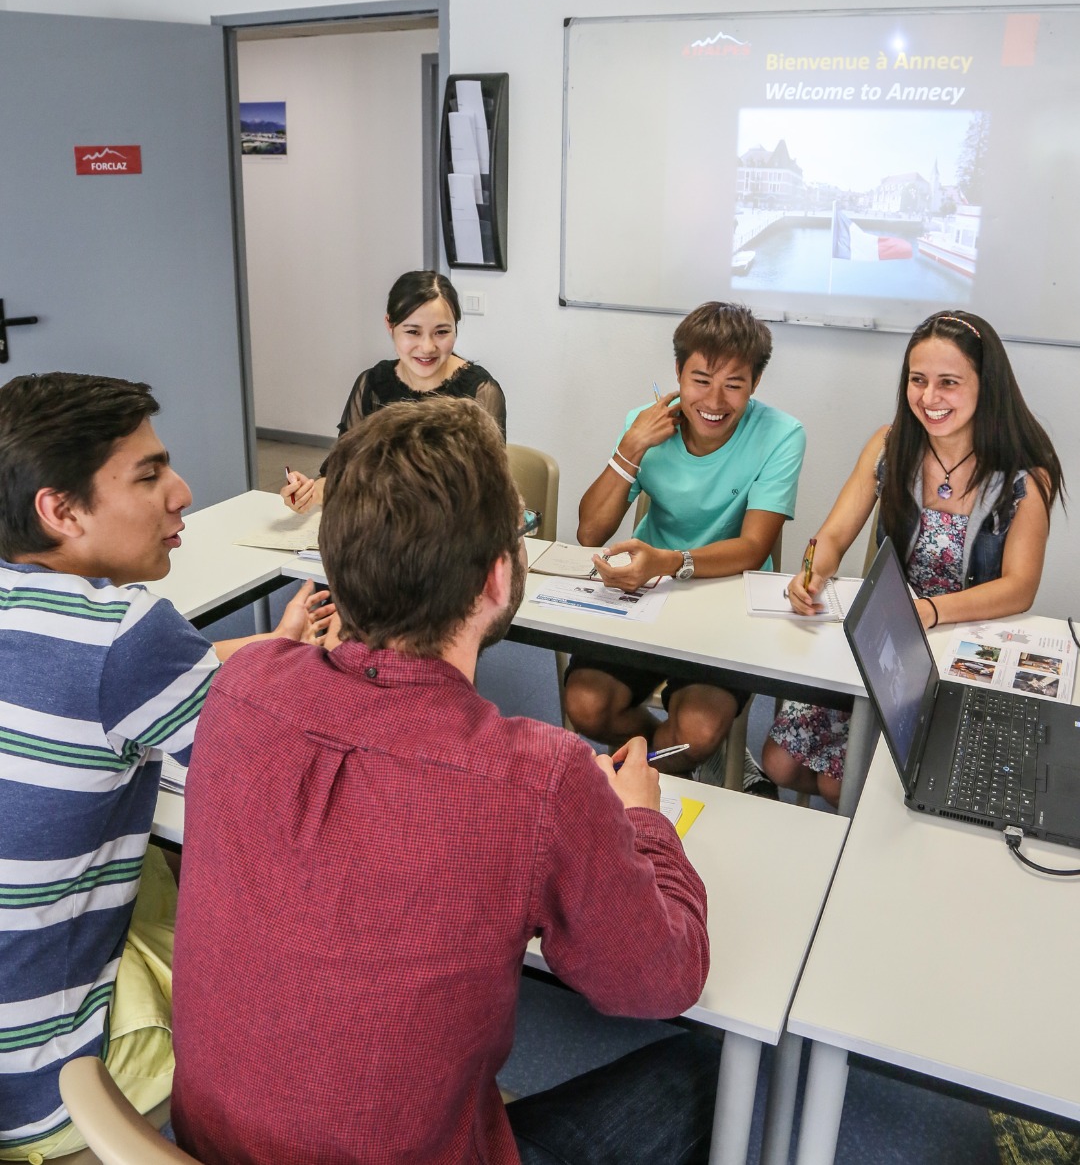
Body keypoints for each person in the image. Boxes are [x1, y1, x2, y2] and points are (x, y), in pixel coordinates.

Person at [171, 398, 722, 1165]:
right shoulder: (539, 778)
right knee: (704, 1074)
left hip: (199, 1146)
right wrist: (642, 824)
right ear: (498, 576)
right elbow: (662, 979)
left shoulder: (242, 686)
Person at [0, 372, 329, 1161]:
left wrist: (260, 650)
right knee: (317, 1030)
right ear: (60, 511)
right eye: (148, 476)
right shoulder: (125, 633)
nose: (182, 493)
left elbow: (104, 687)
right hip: (48, 1082)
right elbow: (293, 799)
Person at [763, 310, 1065, 808]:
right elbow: (831, 536)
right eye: (918, 380)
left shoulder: (1023, 476)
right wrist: (813, 570)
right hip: (888, 638)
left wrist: (927, 611)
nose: (929, 397)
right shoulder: (888, 445)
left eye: (949, 383)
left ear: (986, 386)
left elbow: (1019, 587)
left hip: (958, 645)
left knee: (842, 785)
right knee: (778, 764)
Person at [563, 301, 806, 776]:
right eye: (700, 380)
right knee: (586, 705)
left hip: (727, 600)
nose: (714, 401)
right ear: (677, 373)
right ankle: (675, 761)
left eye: (734, 384)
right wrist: (631, 446)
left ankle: (663, 766)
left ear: (755, 383)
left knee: (695, 731)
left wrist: (668, 562)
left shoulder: (781, 434)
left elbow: (754, 548)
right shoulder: (645, 422)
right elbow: (590, 532)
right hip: (646, 594)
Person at [280, 270, 506, 513]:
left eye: (442, 332)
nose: (427, 347)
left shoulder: (479, 392)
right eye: (412, 332)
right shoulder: (373, 385)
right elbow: (343, 474)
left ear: (455, 328)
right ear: (390, 325)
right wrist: (310, 493)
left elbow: (490, 493)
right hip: (383, 528)